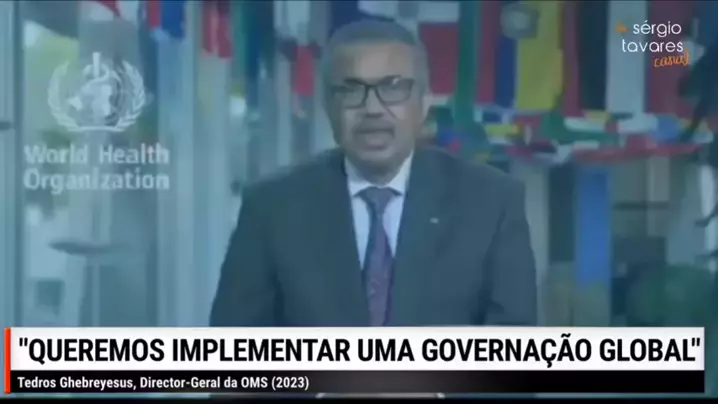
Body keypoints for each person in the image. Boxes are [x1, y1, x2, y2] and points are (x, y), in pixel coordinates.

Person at [211, 19, 537, 328]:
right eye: (351, 90)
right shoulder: (271, 207)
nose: (372, 108)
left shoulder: (491, 202)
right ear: (328, 106)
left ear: (424, 103)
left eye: (393, 88)